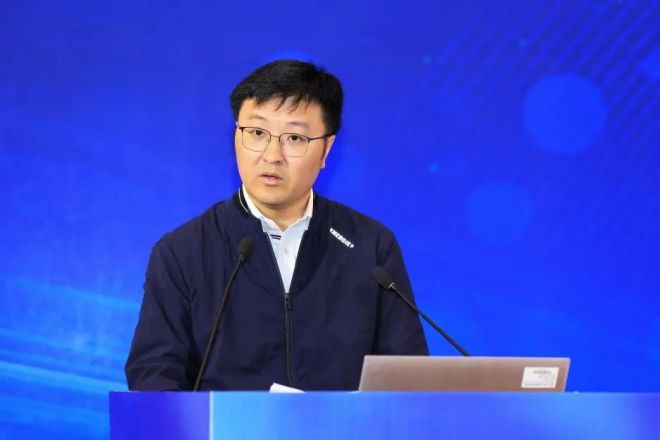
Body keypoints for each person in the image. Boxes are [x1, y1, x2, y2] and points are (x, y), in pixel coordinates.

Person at [125, 60, 428, 391]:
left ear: (326, 149)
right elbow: (153, 380)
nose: (272, 155)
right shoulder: (182, 252)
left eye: (294, 137)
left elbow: (408, 381)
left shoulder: (371, 247)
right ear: (236, 136)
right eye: (257, 133)